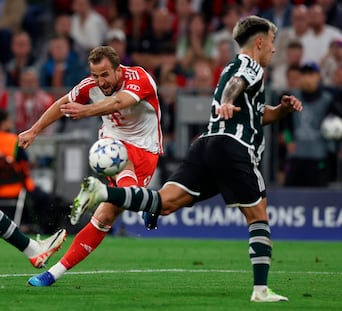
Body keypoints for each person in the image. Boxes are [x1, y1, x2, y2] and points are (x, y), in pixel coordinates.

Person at [67, 16, 303, 302]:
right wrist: (228, 100)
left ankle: (104, 191)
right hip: (235, 147)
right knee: (258, 215)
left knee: (165, 203)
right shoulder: (248, 65)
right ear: (260, 42)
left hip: (205, 145)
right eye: (272, 43)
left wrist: (281, 110)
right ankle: (261, 291)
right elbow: (236, 87)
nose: (274, 50)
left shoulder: (229, 67)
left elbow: (253, 112)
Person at [18, 45, 162, 287]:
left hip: (146, 147)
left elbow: (117, 102)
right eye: (95, 75)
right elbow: (61, 104)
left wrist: (86, 111)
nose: (100, 81)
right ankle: (53, 274)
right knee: (103, 216)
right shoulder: (89, 86)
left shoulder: (140, 78)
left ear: (118, 70)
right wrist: (35, 130)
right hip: (113, 144)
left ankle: (145, 200)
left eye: (105, 75)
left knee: (111, 212)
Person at [0, 108, 65, 234]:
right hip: (17, 189)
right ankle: (43, 230)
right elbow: (24, 167)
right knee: (48, 200)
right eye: (8, 121)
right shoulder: (13, 141)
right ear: (3, 123)